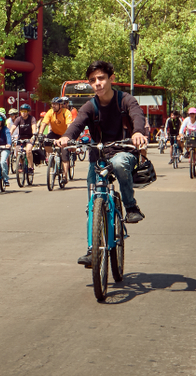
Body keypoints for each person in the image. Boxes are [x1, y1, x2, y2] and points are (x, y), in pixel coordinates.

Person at [56, 60, 149, 268]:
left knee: (118, 163)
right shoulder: (90, 106)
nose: (97, 83)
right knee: (93, 204)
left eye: (101, 78)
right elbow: (78, 123)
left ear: (111, 79)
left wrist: (137, 132)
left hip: (123, 150)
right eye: (93, 80)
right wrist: (66, 137)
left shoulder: (125, 100)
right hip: (98, 156)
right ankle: (92, 250)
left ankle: (131, 206)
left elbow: (137, 116)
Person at [39, 97, 73, 180]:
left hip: (65, 134)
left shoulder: (66, 112)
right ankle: (53, 158)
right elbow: (44, 123)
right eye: (52, 104)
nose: (53, 106)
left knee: (65, 155)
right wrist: (40, 134)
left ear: (60, 105)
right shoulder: (50, 112)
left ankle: (65, 176)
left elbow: (69, 126)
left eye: (55, 104)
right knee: (46, 143)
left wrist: (67, 137)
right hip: (54, 133)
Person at [11, 104, 39, 172]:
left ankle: (30, 167)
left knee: (28, 150)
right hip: (21, 137)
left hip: (30, 137)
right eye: (22, 111)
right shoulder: (18, 119)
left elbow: (34, 126)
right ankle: (21, 163)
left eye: (25, 111)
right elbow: (13, 127)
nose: (23, 113)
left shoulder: (32, 118)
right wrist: (9, 134)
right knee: (17, 150)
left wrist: (34, 134)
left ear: (28, 112)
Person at [179, 107, 196, 173]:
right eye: (190, 114)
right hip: (189, 136)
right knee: (186, 141)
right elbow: (182, 128)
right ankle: (188, 151)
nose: (192, 115)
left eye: (193, 114)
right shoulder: (186, 120)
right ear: (188, 114)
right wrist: (181, 134)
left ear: (195, 114)